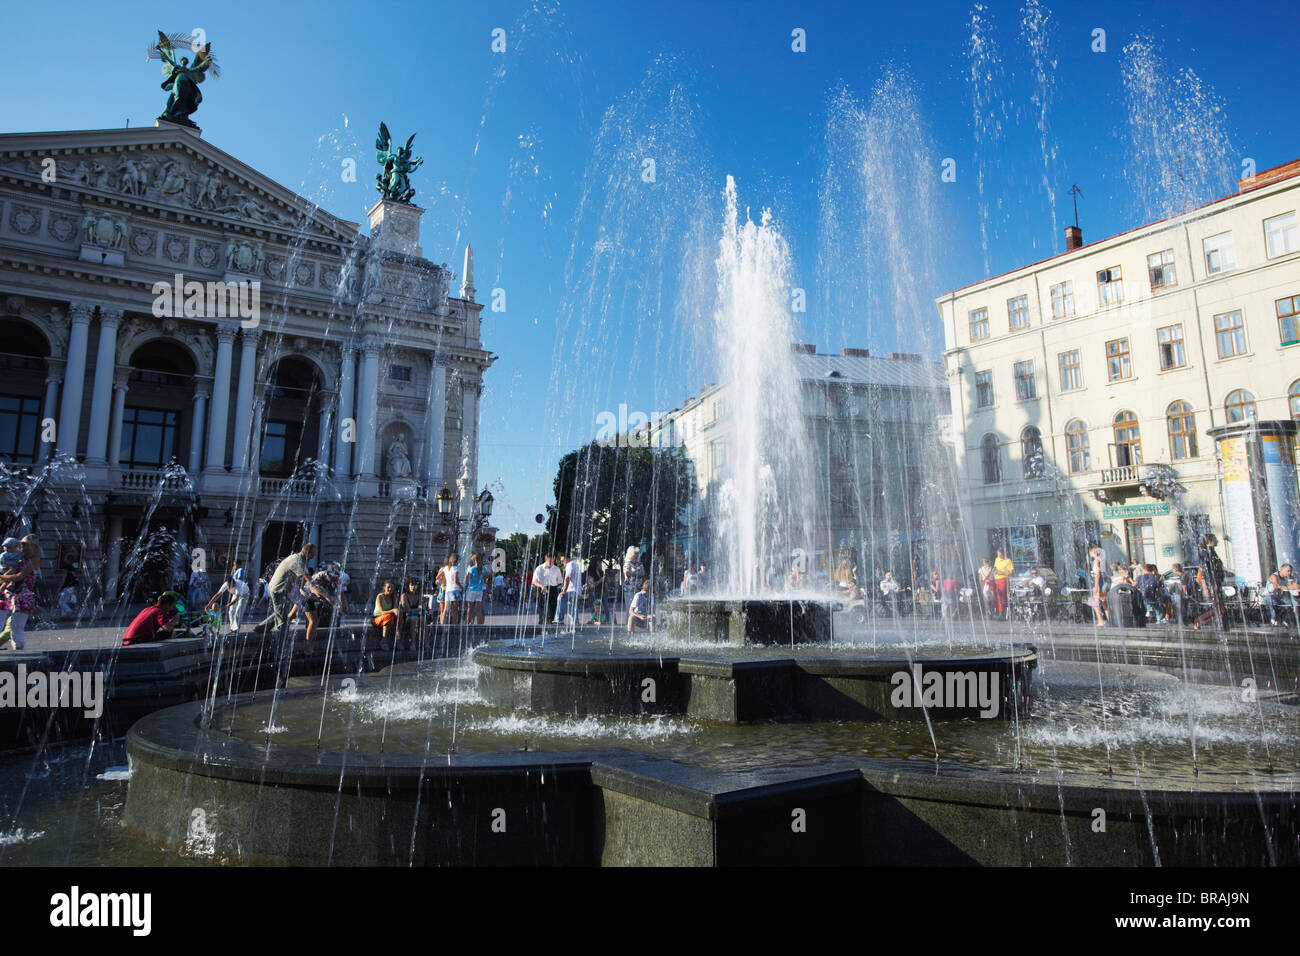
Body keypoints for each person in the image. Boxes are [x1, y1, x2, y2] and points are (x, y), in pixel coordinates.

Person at [255, 543, 316, 643]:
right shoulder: (296, 561)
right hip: (278, 590)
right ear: (305, 552)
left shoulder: (301, 561)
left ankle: (260, 627)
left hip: (285, 591)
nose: (312, 558)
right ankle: (280, 651)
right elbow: (306, 579)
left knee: (280, 613)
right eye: (311, 555)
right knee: (282, 621)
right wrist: (318, 592)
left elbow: (303, 583)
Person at [0, 535, 42, 650]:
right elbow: (10, 572)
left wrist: (2, 577)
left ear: (34, 546)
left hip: (23, 596)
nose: (24, 548)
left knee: (16, 626)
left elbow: (20, 576)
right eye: (23, 545)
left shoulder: (35, 560)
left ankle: (18, 653)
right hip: (9, 594)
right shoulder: (19, 558)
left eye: (27, 545)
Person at [1193, 534, 1226, 631]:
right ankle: (1199, 621)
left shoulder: (1211, 552)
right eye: (1215, 539)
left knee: (1221, 609)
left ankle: (1224, 628)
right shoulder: (1205, 553)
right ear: (1210, 541)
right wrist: (1205, 587)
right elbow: (1203, 570)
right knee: (1220, 609)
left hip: (1216, 583)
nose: (1218, 541)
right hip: (1212, 584)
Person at [303, 565, 339, 642]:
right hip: (306, 596)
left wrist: (327, 600)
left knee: (293, 615)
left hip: (307, 595)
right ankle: (308, 646)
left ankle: (282, 626)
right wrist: (328, 599)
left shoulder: (326, 579)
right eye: (336, 577)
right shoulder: (324, 576)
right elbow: (316, 589)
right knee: (313, 621)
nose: (336, 579)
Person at [532, 554, 563, 626]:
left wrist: (554, 587)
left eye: (553, 561)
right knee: (543, 609)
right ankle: (541, 625)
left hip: (553, 590)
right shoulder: (539, 569)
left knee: (553, 609)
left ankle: (551, 625)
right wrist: (542, 586)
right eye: (550, 561)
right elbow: (534, 581)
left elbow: (560, 582)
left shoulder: (556, 569)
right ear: (546, 559)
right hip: (542, 590)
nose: (551, 563)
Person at [436, 554, 461, 626]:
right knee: (454, 610)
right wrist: (461, 587)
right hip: (452, 590)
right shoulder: (454, 569)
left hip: (447, 591)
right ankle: (452, 626)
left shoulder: (445, 569)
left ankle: (442, 626)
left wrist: (442, 582)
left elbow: (437, 578)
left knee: (445, 610)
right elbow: (456, 581)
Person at [372, 580, 399, 646]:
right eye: (388, 587)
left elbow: (395, 610)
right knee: (388, 616)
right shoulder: (380, 596)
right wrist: (393, 611)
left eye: (392, 587)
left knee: (399, 617)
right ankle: (384, 640)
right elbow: (382, 612)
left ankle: (398, 639)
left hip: (389, 618)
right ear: (384, 588)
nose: (390, 589)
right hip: (377, 618)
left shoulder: (394, 597)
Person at [558, 553, 581, 626]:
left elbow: (567, 578)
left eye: (562, 561)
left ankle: (559, 619)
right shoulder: (575, 564)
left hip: (572, 591)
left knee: (560, 598)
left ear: (567, 559)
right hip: (577, 591)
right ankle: (575, 623)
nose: (561, 563)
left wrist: (564, 591)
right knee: (572, 607)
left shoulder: (570, 565)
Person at [400, 578, 424, 649]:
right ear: (408, 586)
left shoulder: (418, 596)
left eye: (415, 585)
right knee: (414, 619)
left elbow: (421, 607)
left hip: (416, 616)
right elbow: (407, 609)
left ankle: (425, 644)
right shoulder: (404, 596)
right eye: (411, 585)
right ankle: (412, 643)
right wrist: (417, 609)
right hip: (405, 618)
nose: (413, 587)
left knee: (423, 619)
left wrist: (419, 609)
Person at [1087, 546, 1108, 626]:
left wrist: (1096, 587)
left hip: (1099, 584)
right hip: (1104, 584)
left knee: (1094, 603)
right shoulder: (1103, 560)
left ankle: (1101, 621)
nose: (1090, 555)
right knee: (1104, 603)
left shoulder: (1096, 560)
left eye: (1090, 553)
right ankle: (1111, 620)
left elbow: (1098, 574)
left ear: (1093, 552)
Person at [464, 554, 487, 626]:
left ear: (474, 560)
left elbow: (467, 580)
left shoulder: (472, 569)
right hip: (479, 590)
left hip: (471, 590)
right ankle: (479, 626)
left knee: (470, 609)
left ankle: (467, 624)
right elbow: (486, 579)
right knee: (478, 610)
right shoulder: (484, 569)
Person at [993, 548, 1014, 619]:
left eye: (1000, 554)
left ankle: (1004, 613)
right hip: (997, 580)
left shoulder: (1008, 561)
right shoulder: (997, 559)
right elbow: (995, 570)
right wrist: (1003, 572)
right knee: (998, 596)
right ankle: (1001, 612)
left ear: (1003, 554)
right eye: (998, 554)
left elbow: (1011, 572)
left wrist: (1001, 573)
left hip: (1003, 580)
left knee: (1002, 596)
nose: (999, 556)